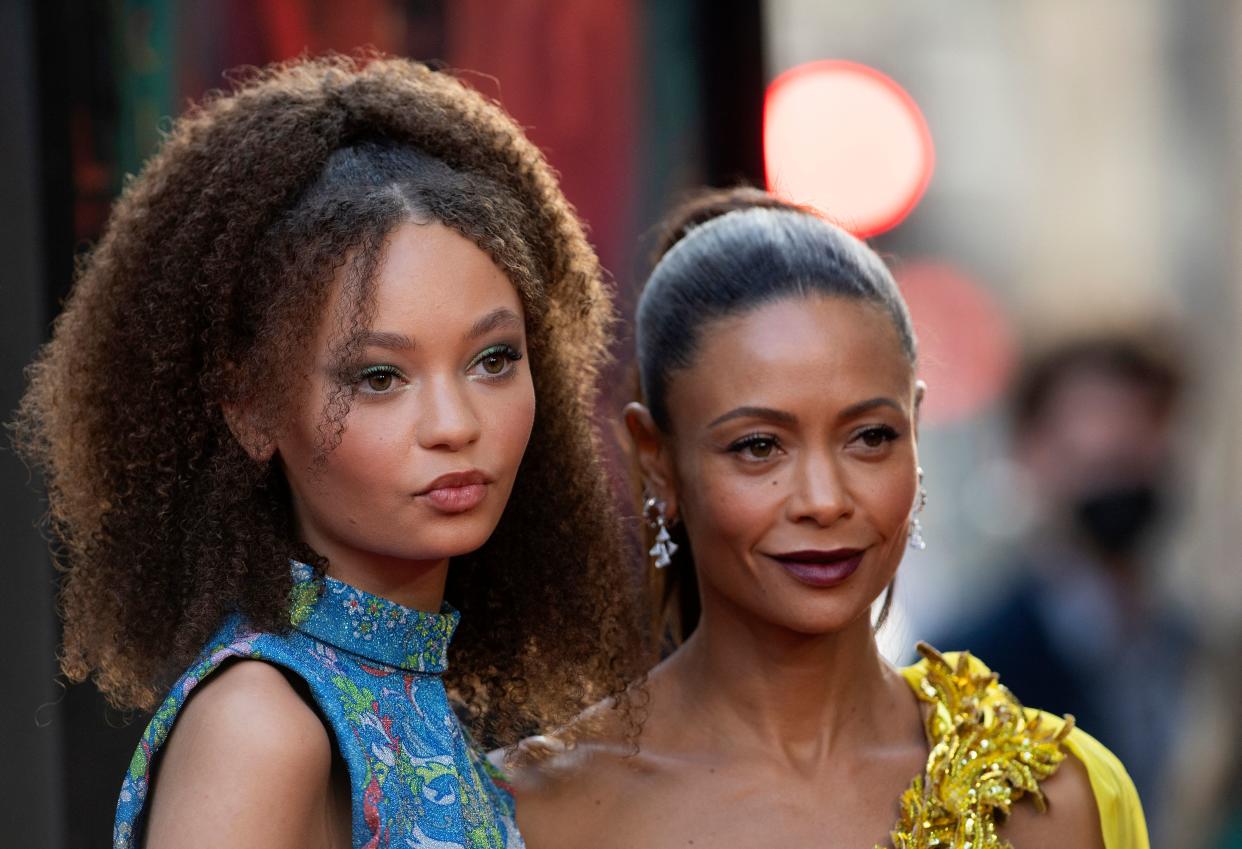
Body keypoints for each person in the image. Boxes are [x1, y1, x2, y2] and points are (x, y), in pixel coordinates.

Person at [14, 56, 642, 848]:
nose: (454, 423)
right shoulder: (261, 722)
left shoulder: (402, 693)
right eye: (379, 376)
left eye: (493, 359)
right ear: (249, 409)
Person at [505, 189, 1148, 849]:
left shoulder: (1054, 791)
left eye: (870, 437)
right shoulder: (532, 812)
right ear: (658, 460)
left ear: (916, 432)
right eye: (759, 446)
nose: (824, 498)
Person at [934, 333, 1191, 830]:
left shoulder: (1201, 657)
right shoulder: (972, 670)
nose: (1119, 443)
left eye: (1142, 426)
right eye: (1092, 432)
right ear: (1031, 452)